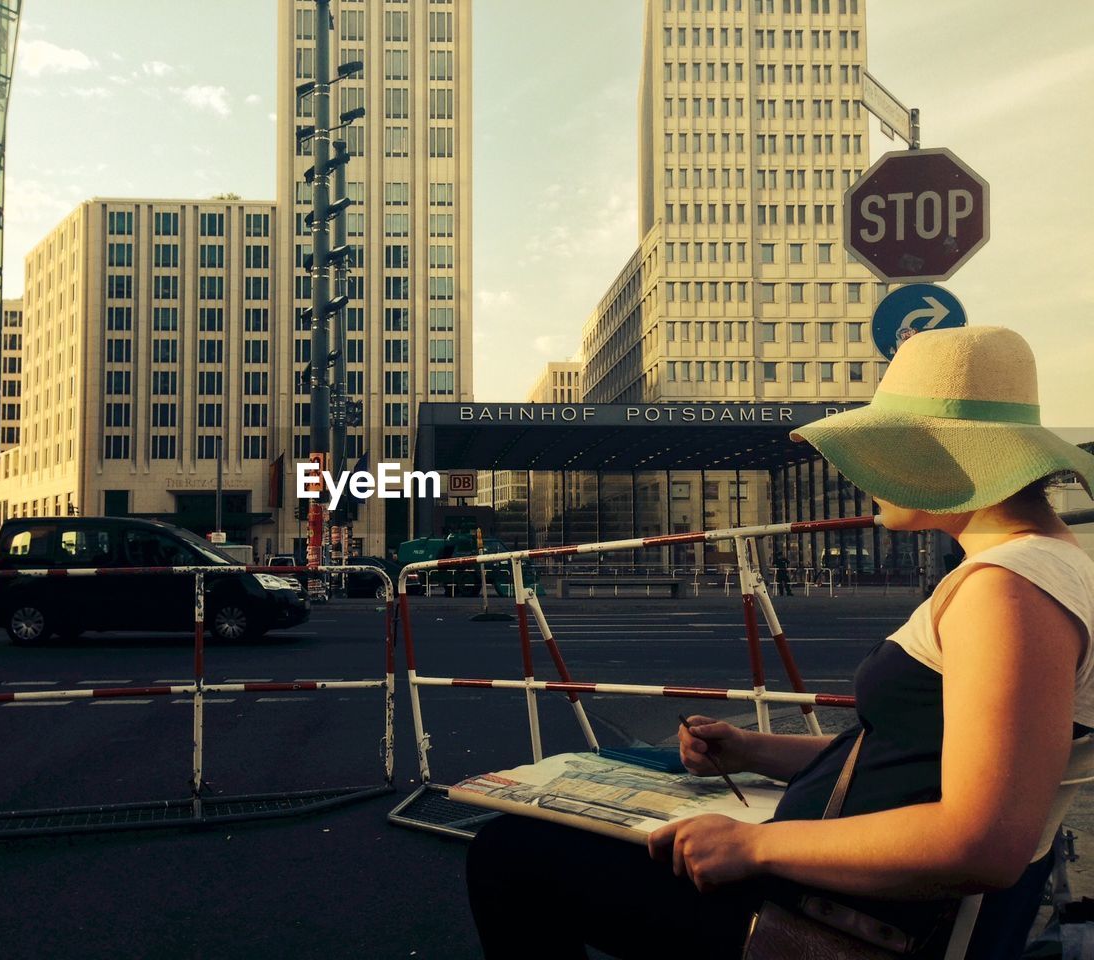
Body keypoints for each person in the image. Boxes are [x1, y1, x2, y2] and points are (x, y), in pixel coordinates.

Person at [466, 327, 1094, 959]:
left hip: (843, 919)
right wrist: (750, 749)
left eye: (883, 449)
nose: (861, 475)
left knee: (512, 856)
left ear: (939, 454)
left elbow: (982, 844)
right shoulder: (1042, 567)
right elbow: (909, 753)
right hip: (849, 884)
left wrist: (751, 846)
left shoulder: (1009, 592)